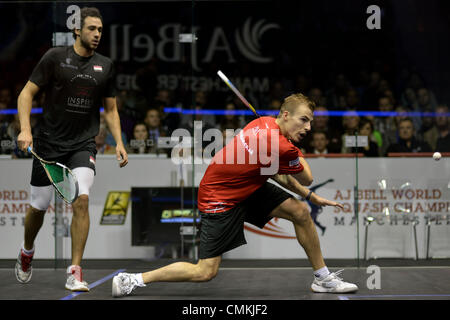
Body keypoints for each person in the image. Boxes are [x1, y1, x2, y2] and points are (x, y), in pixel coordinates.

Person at [112, 93, 358, 297]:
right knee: (205, 271)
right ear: (285, 115)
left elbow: (272, 172)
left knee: (300, 211)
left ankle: (322, 278)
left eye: (310, 123)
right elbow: (308, 176)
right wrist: (293, 151)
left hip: (247, 186)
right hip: (220, 197)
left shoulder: (260, 125)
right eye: (304, 120)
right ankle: (133, 279)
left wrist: (309, 196)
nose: (308, 127)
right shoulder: (280, 144)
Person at [15, 7, 128, 292]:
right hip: (48, 143)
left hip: (82, 144)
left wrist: (120, 142)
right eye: (92, 29)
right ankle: (27, 251)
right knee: (38, 207)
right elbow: (26, 93)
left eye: (100, 30)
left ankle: (74, 271)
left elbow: (111, 109)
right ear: (77, 30)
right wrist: (26, 129)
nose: (97, 34)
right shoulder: (55, 57)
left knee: (82, 200)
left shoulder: (106, 65)